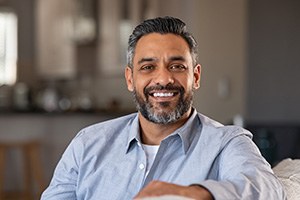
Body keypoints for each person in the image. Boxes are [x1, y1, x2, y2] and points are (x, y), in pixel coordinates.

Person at [41, 16, 286, 200]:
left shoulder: (227, 142)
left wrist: (195, 194)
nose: (163, 79)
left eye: (177, 66)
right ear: (130, 79)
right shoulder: (87, 143)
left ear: (196, 76)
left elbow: (267, 189)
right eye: (148, 67)